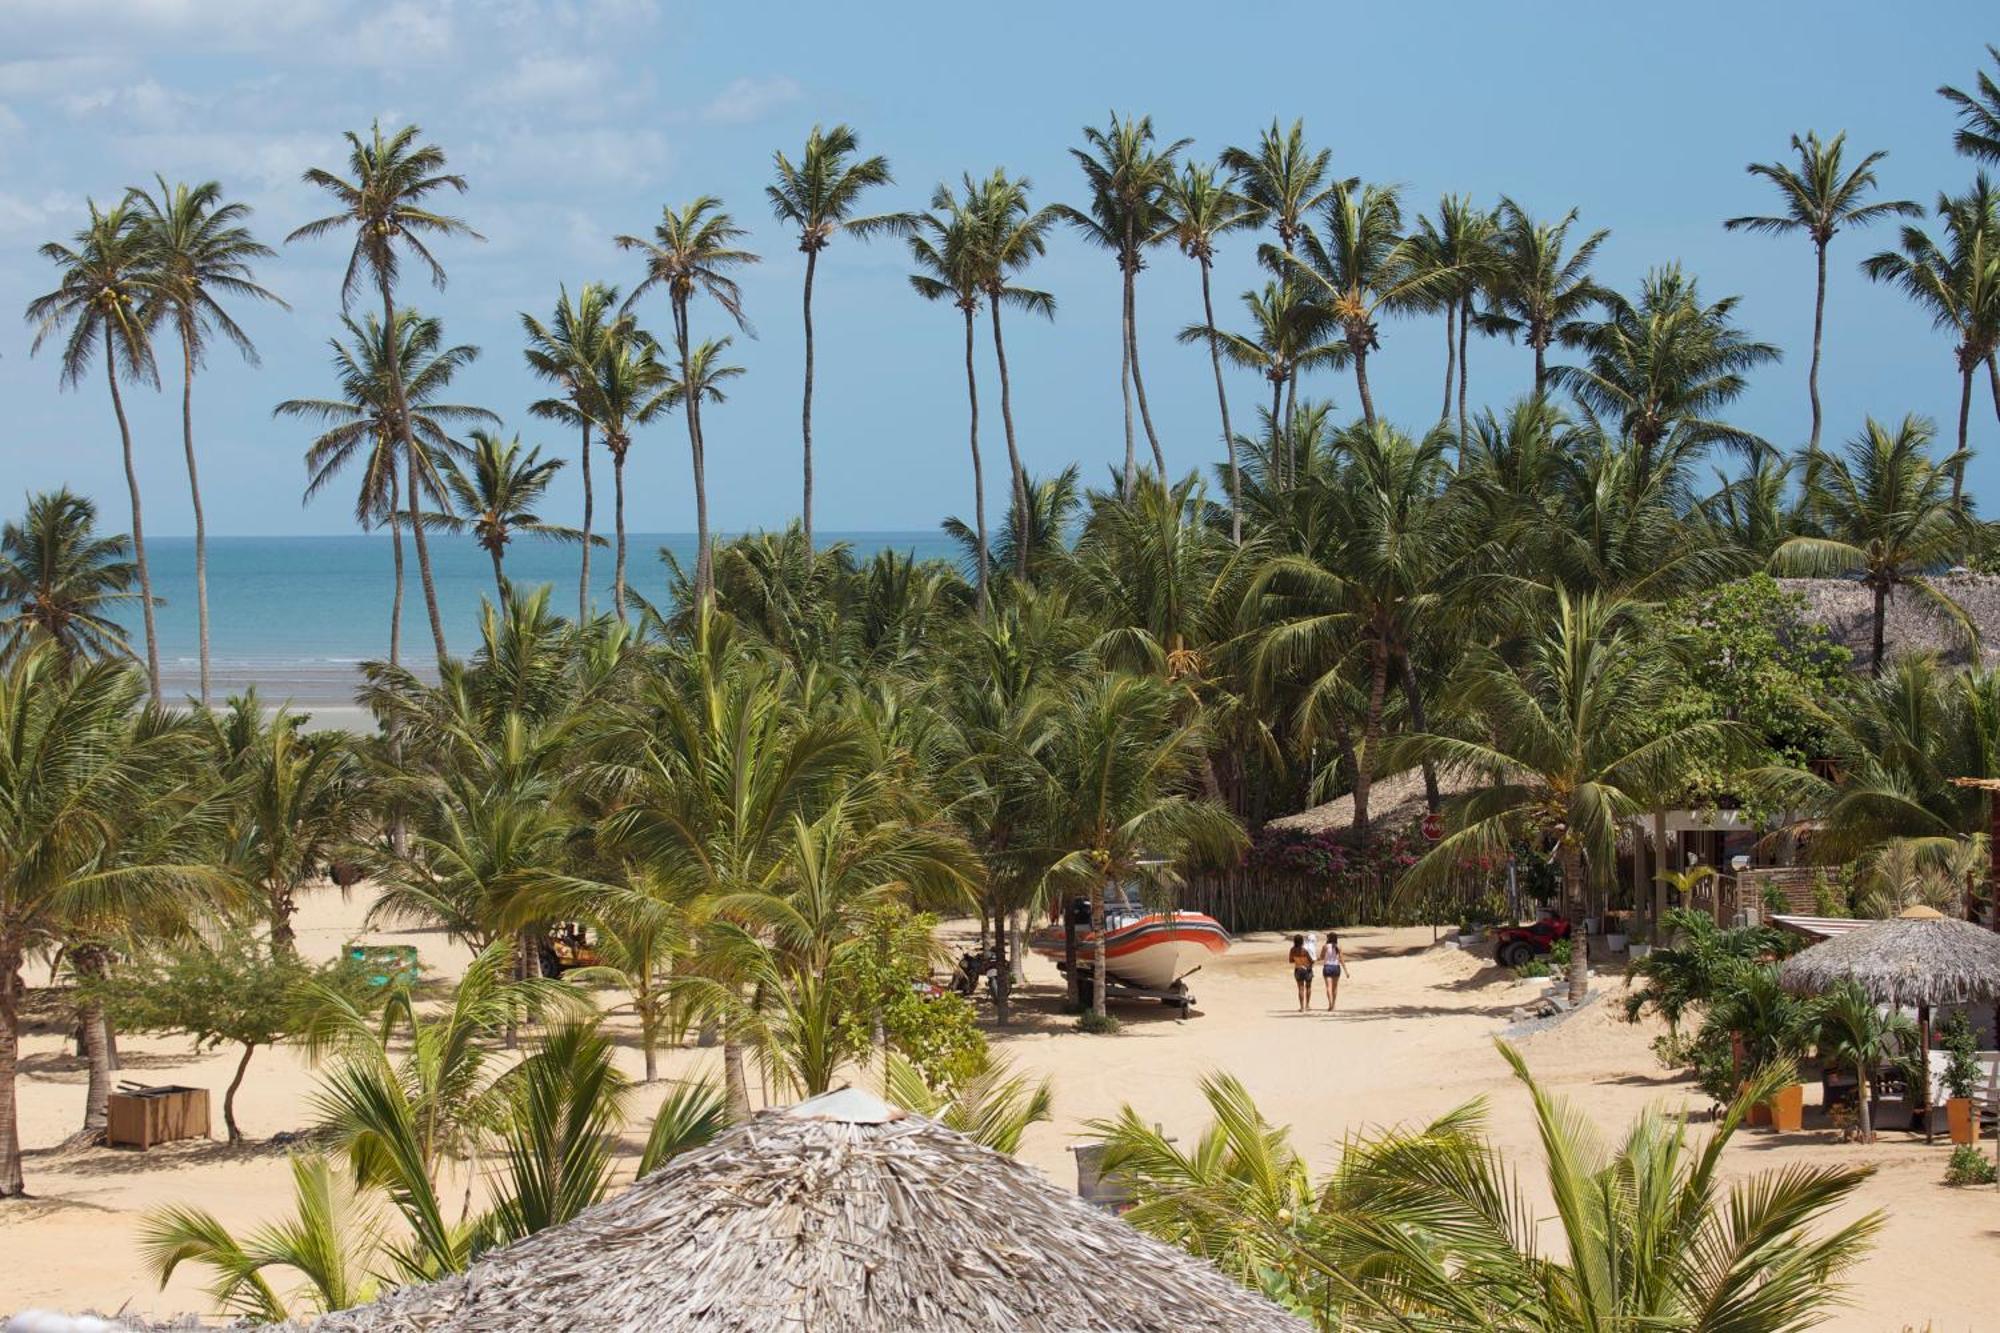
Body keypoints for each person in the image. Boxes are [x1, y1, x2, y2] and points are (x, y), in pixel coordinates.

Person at [1320, 931, 1346, 1011]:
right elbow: (1341, 959)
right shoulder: (1339, 947)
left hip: (1327, 967)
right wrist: (1346, 971)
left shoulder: (1325, 946)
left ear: (1328, 938)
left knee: (1328, 987)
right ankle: (1334, 1005)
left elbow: (1321, 957)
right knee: (1335, 988)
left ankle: (1330, 1004)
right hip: (1336, 967)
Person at [1287, 934, 1313, 1013]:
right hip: (1306, 969)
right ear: (1302, 941)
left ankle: (1302, 1007)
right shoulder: (1304, 950)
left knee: (1300, 988)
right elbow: (1311, 960)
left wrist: (1297, 960)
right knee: (1308, 987)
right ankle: (1307, 1005)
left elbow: (1291, 961)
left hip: (1298, 969)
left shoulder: (1292, 950)